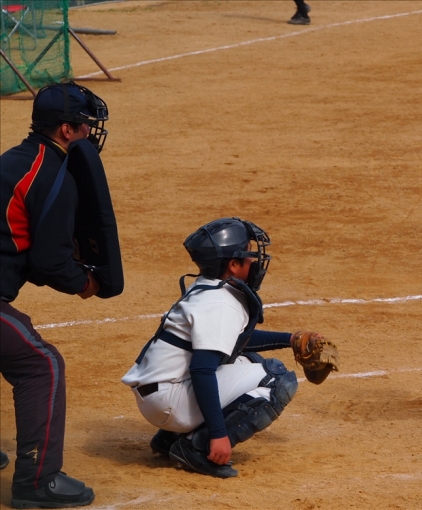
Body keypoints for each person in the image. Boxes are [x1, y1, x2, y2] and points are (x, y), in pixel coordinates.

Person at [122, 217, 338, 478]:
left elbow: (233, 341)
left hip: (159, 393)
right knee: (277, 379)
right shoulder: (221, 303)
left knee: (250, 360)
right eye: (249, 255)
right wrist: (218, 435)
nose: (255, 262)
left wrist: (290, 339)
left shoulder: (208, 287)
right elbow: (202, 370)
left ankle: (170, 438)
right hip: (169, 401)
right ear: (233, 264)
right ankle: (196, 446)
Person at [1, 82, 110, 508]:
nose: (90, 132)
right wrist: (85, 283)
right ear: (66, 130)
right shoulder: (54, 176)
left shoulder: (15, 160)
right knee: (40, 364)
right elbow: (49, 262)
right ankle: (36, 482)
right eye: (84, 125)